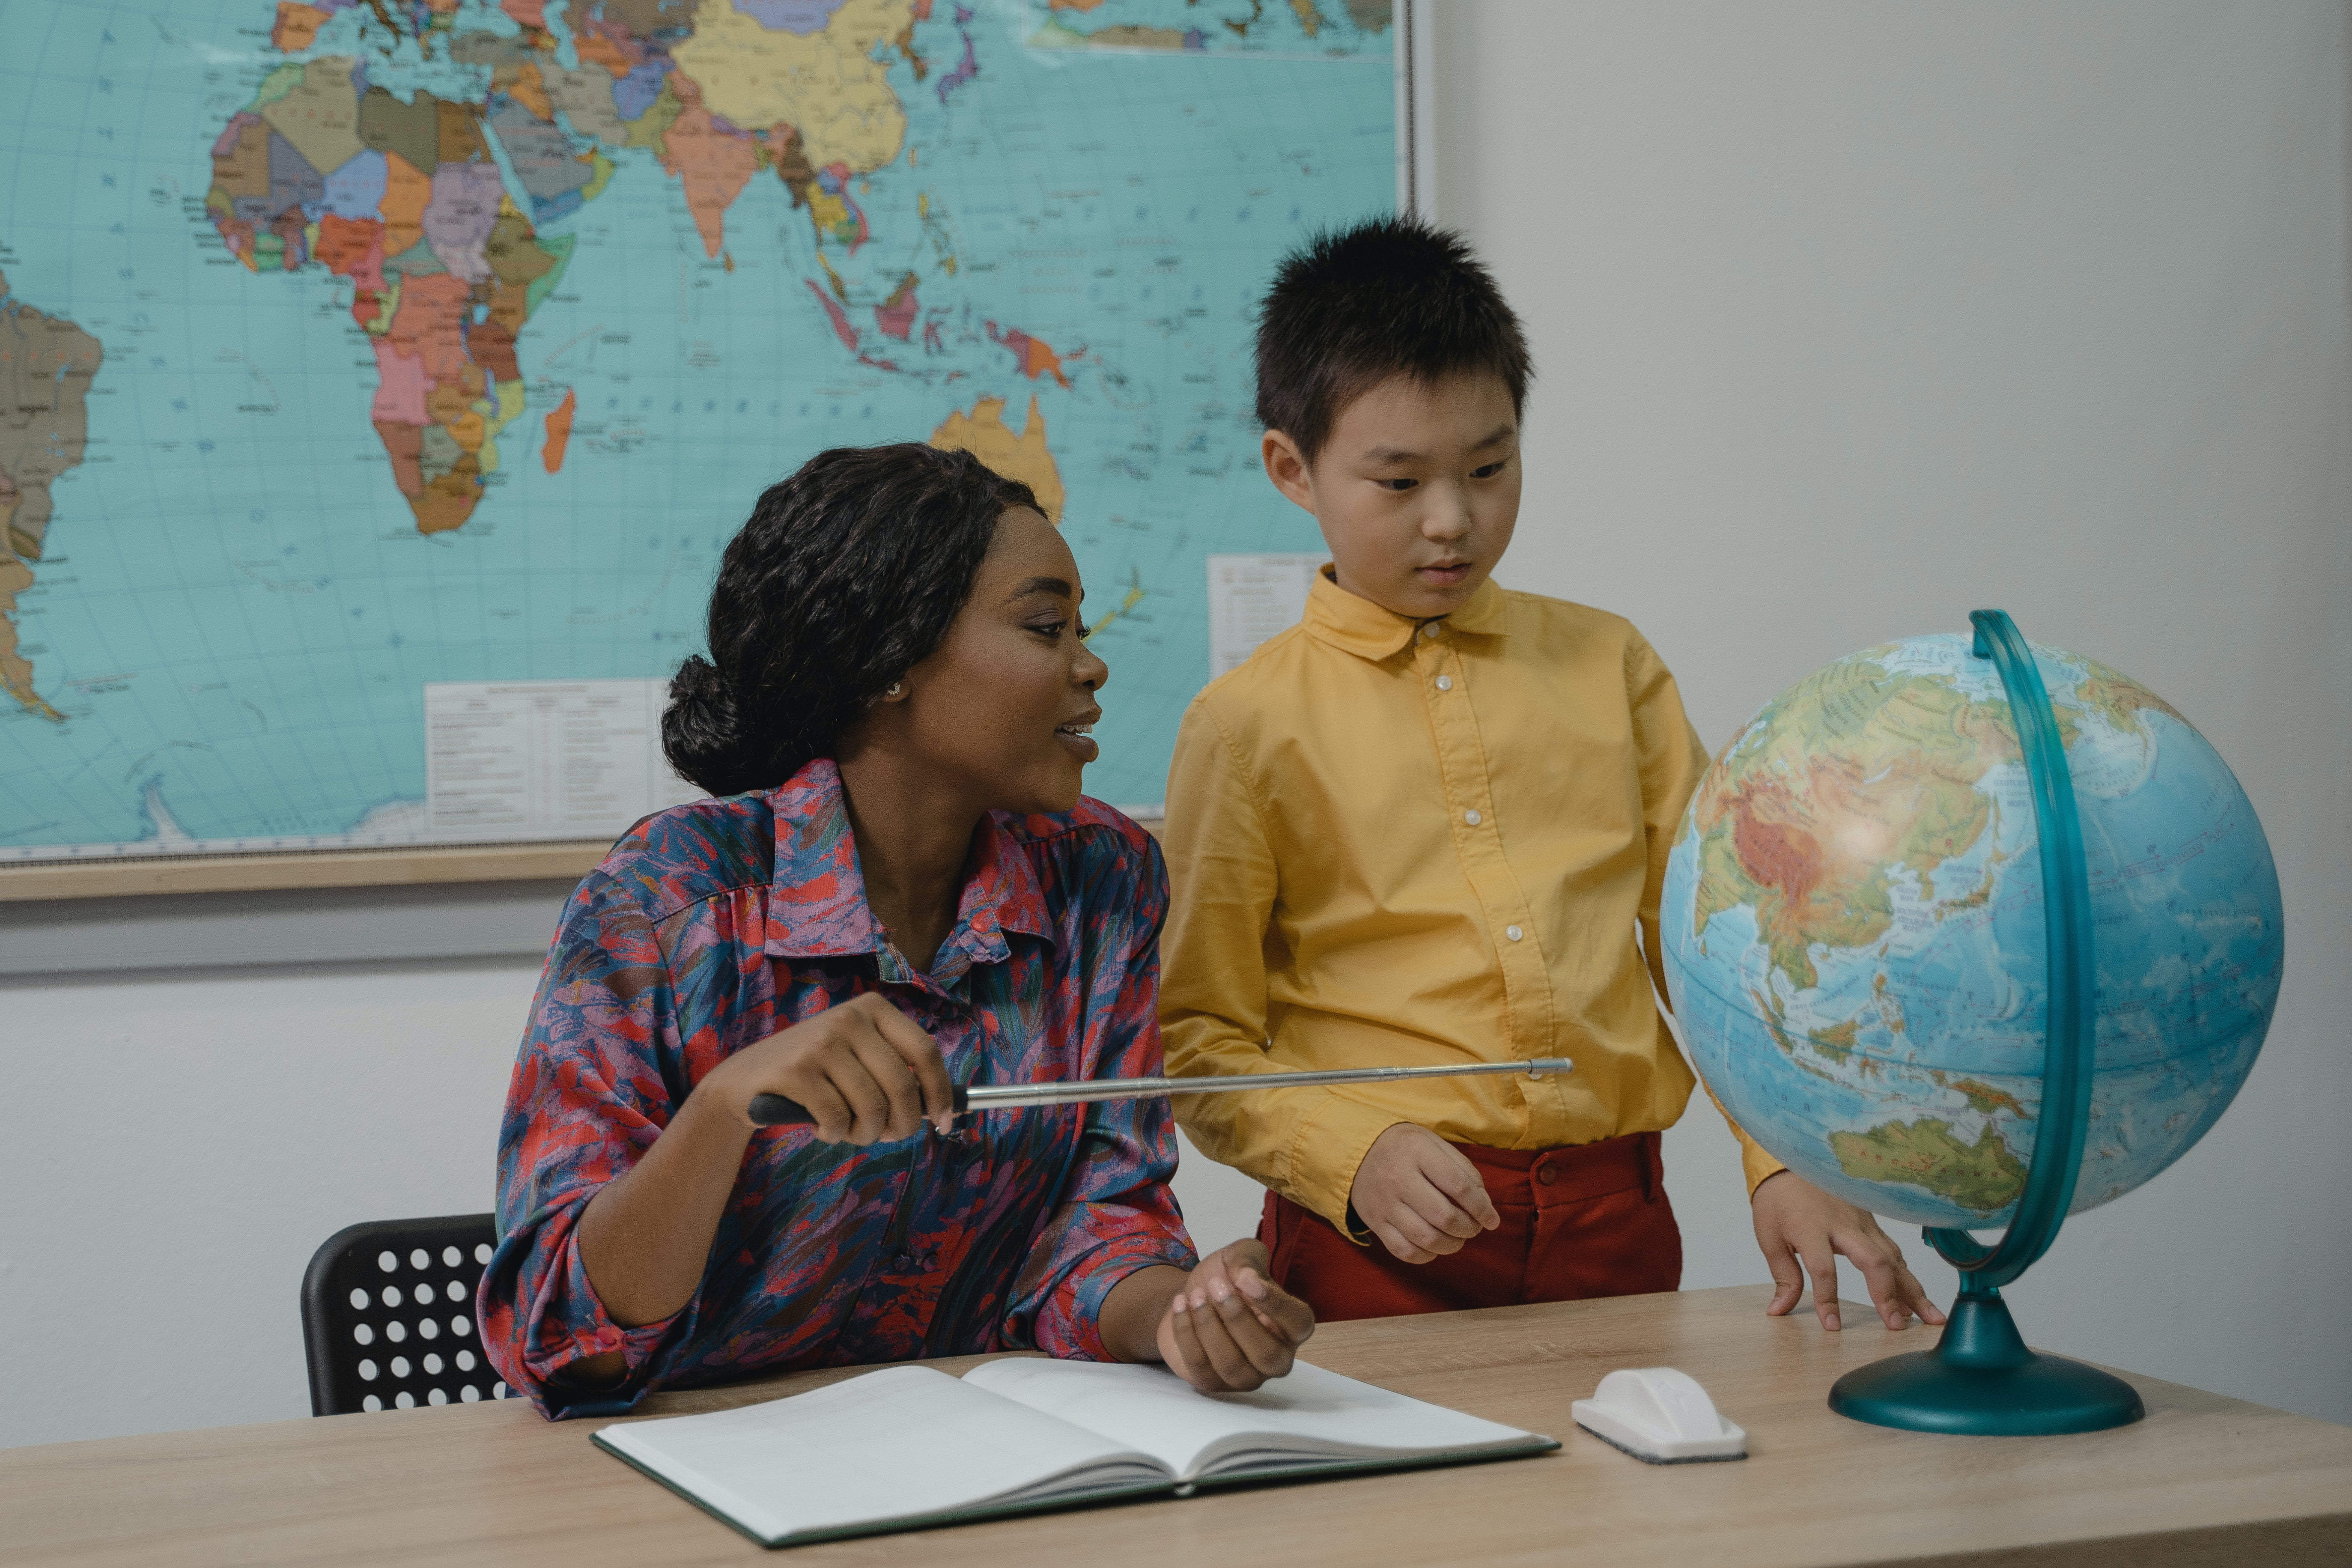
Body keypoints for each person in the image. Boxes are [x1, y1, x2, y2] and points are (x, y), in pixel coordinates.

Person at [1160, 218, 1946, 1335]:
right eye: (1398, 480)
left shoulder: (1606, 663)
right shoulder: (1242, 725)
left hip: (1612, 1213)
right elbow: (1201, 1046)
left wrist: (1777, 1155)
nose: (1453, 518)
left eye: (1488, 466)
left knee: (1619, 1496)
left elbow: (1712, 945)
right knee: (1399, 1516)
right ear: (1292, 468)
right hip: (1373, 1230)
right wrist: (1347, 1154)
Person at [482, 444, 1314, 1416]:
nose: (1090, 664)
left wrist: (1182, 1313)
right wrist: (720, 1111)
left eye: (1079, 627)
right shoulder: (665, 905)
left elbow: (1095, 1228)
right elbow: (553, 1332)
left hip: (983, 1458)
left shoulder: (1100, 877)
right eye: (1045, 626)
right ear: (887, 662)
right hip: (692, 1471)